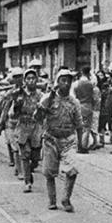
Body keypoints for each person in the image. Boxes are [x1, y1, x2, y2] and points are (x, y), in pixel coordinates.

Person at [38, 68, 86, 211]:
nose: (66, 84)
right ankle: (52, 200)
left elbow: (79, 124)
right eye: (63, 80)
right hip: (51, 139)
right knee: (49, 172)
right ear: (57, 82)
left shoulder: (74, 102)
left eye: (69, 81)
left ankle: (66, 198)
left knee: (72, 170)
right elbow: (38, 117)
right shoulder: (48, 99)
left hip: (68, 140)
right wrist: (46, 103)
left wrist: (80, 143)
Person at [10, 68, 44, 193]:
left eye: (33, 78)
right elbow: (13, 114)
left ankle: (29, 170)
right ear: (25, 81)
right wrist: (17, 103)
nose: (31, 81)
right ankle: (27, 181)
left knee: (35, 158)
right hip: (23, 126)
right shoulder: (19, 94)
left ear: (37, 80)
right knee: (25, 155)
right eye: (28, 78)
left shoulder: (41, 95)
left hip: (36, 128)